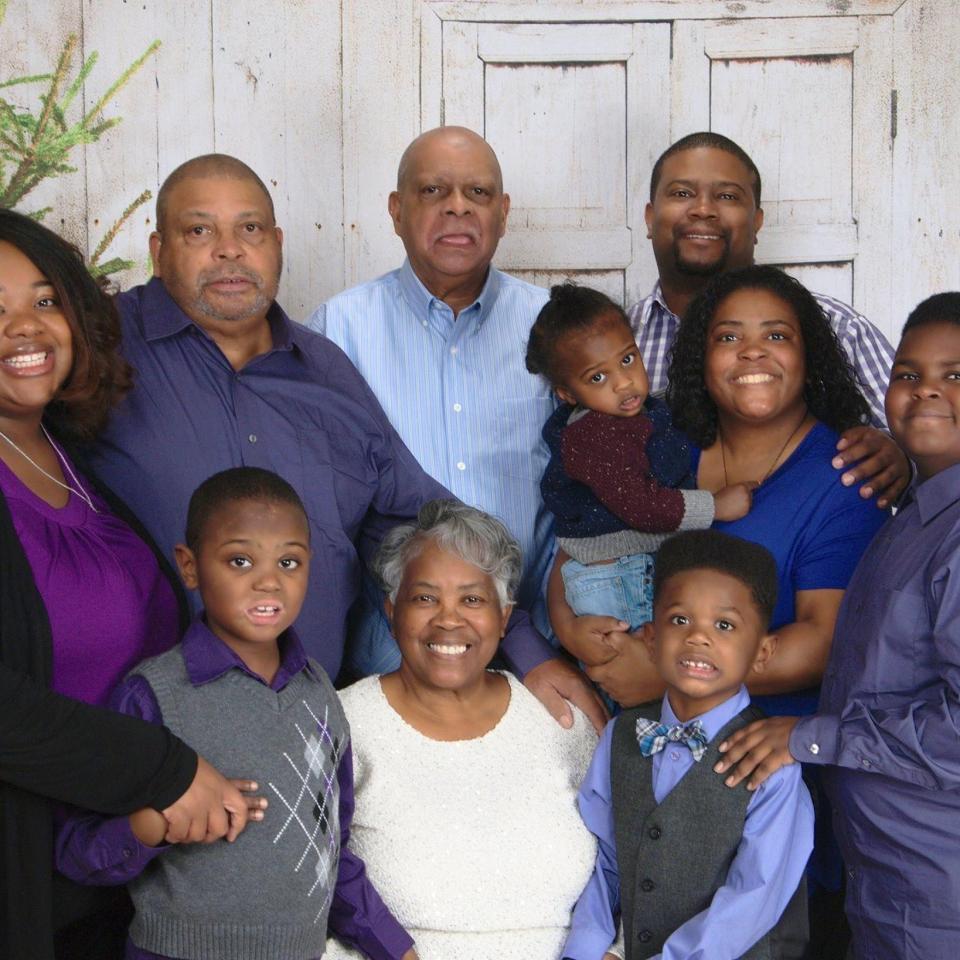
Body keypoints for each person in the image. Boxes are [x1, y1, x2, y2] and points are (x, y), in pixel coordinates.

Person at [87, 154, 592, 727]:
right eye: (199, 230)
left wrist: (528, 651)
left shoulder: (323, 367)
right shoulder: (98, 348)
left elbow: (416, 520)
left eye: (249, 229)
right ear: (158, 250)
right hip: (138, 727)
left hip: (305, 725)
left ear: (276, 243)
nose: (229, 249)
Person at [0, 208, 252, 960]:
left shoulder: (68, 451)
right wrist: (163, 771)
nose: (27, 327)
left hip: (122, 872)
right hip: (27, 886)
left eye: (45, 301)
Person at [58, 467, 417, 960]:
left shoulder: (321, 699)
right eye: (240, 560)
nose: (269, 582)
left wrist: (393, 948)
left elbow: (333, 849)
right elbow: (79, 851)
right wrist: (154, 825)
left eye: (289, 562)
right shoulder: (154, 695)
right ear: (190, 566)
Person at [716, 292, 960, 959]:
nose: (926, 392)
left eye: (955, 375)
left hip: (939, 897)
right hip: (887, 889)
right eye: (907, 374)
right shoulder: (912, 512)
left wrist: (811, 738)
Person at [308, 127, 557, 672]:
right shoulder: (339, 330)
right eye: (433, 192)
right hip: (388, 648)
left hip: (538, 647)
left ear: (504, 212)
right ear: (397, 211)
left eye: (478, 193)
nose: (457, 209)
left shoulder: (554, 326)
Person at [325, 500, 598, 960]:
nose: (448, 619)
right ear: (392, 612)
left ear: (505, 617)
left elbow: (631, 868)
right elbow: (305, 883)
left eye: (472, 599)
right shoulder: (341, 723)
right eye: (425, 598)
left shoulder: (561, 721)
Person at [562, 530, 813, 960]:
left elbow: (752, 899)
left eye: (725, 625)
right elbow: (605, 861)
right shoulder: (620, 737)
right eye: (680, 620)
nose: (698, 637)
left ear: (762, 652)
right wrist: (583, 950)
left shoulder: (773, 766)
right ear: (651, 638)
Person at [630, 131, 907, 508]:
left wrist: (903, 460)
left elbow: (928, 443)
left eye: (727, 196)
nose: (703, 209)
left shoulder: (838, 328)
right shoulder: (615, 342)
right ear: (649, 218)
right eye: (682, 194)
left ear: (757, 222)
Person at [526, 281, 753, 636]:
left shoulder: (632, 414)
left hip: (630, 569)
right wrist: (716, 506)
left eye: (628, 359)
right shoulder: (591, 436)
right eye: (598, 377)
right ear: (568, 394)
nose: (623, 383)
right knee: (639, 673)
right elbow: (641, 505)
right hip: (618, 576)